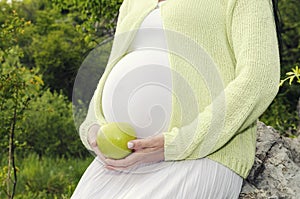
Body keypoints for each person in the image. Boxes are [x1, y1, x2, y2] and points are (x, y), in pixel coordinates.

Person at [71, 0, 282, 198]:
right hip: (120, 161)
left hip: (200, 157)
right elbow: (111, 68)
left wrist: (178, 143)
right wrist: (92, 126)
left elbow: (258, 79)